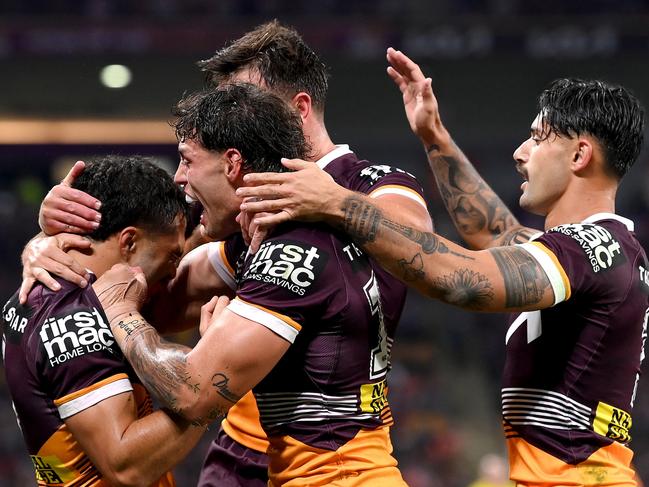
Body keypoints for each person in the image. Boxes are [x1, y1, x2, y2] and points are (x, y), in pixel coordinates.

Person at [25, 21, 432, 486]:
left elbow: (419, 246)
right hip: (242, 453)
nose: (229, 116)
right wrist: (54, 242)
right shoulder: (244, 224)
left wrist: (331, 203)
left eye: (244, 105)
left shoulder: (365, 189)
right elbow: (148, 292)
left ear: (297, 111)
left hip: (329, 458)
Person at [234, 49, 649, 485]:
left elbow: (462, 281)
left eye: (538, 138)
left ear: (580, 155)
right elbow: (494, 234)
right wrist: (434, 137)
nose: (521, 152)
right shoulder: (602, 251)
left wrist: (338, 202)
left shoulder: (589, 249)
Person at [1, 155, 216, 486]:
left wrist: (41, 238)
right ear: (128, 242)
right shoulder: (75, 319)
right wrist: (216, 385)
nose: (175, 269)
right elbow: (126, 466)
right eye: (172, 255)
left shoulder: (54, 294)